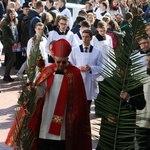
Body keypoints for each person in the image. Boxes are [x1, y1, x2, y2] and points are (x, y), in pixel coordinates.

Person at [28, 39, 92, 150]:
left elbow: (79, 100)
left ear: (68, 59)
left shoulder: (75, 73)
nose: (61, 65)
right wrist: (32, 90)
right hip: (47, 116)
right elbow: (39, 92)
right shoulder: (47, 71)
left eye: (64, 62)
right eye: (58, 62)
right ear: (54, 58)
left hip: (65, 119)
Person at [95, 57, 146, 149]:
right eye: (118, 67)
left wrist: (129, 98)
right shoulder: (107, 83)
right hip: (108, 130)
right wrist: (107, 115)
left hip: (125, 131)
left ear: (129, 68)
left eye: (122, 68)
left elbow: (141, 105)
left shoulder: (136, 85)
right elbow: (99, 104)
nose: (119, 70)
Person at [69, 29, 104, 110]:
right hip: (78, 80)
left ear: (91, 38)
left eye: (87, 37)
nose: (84, 39)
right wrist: (78, 68)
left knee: (86, 106)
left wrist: (91, 68)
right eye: (83, 37)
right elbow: (70, 65)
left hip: (90, 82)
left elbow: (101, 67)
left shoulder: (97, 52)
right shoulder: (75, 50)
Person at [1, 8, 18, 82]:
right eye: (11, 14)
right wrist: (12, 42)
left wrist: (16, 41)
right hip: (8, 44)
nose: (12, 16)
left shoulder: (13, 21)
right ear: (8, 14)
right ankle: (6, 75)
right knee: (12, 58)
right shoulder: (5, 22)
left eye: (13, 14)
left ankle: (7, 75)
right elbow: (5, 36)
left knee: (11, 59)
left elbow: (15, 33)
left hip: (12, 43)